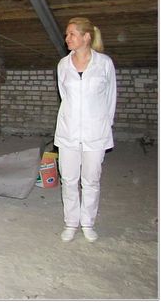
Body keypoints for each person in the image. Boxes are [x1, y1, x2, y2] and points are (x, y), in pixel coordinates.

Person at [54, 17, 117, 243]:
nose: (67, 38)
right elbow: (64, 96)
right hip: (68, 132)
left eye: (72, 34)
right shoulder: (63, 65)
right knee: (69, 179)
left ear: (86, 37)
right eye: (67, 34)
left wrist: (104, 125)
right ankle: (71, 223)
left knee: (91, 180)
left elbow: (110, 98)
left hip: (95, 133)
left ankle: (87, 223)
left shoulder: (104, 64)